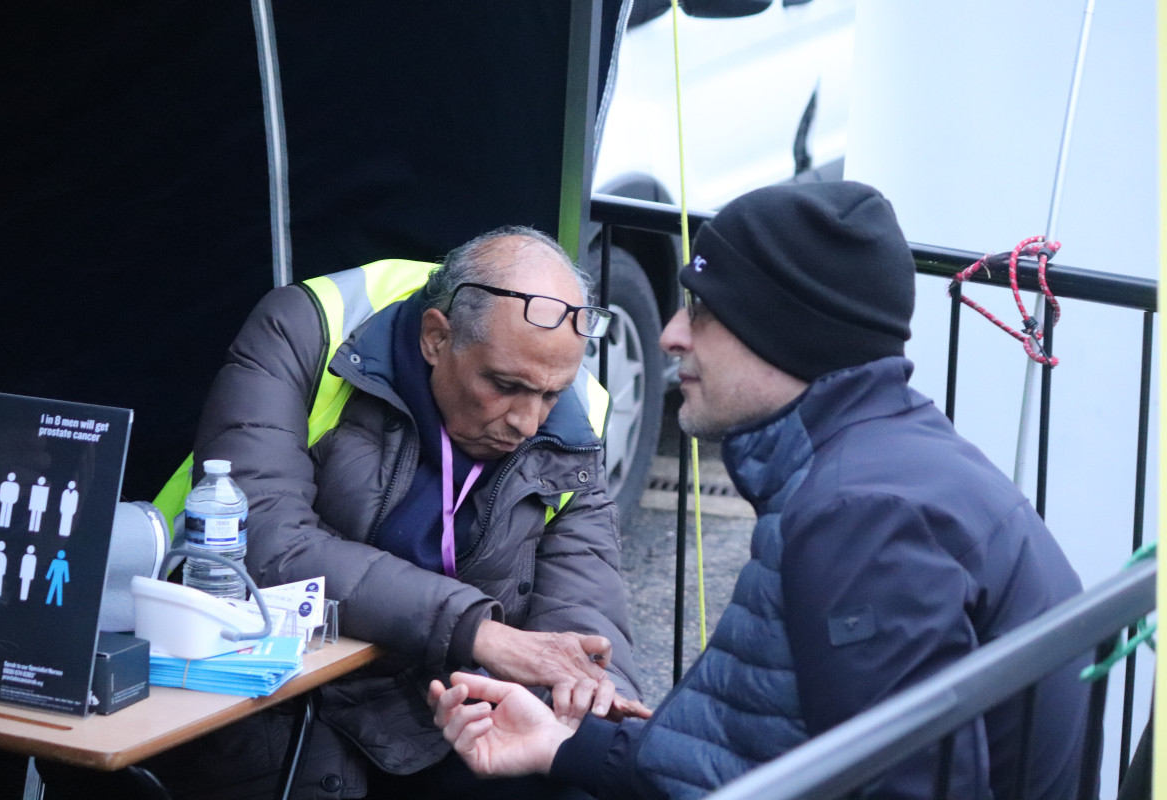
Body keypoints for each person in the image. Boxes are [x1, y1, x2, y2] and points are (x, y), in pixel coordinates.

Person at [430, 182, 1092, 799]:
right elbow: (772, 748)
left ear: (786, 333)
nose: (671, 334)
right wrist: (567, 744)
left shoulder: (860, 516)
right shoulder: (879, 463)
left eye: (704, 310)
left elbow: (900, 784)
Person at [77, 226, 644, 800]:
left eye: (550, 394)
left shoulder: (575, 410)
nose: (528, 421)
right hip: (256, 685)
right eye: (503, 386)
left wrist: (595, 698)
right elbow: (267, 540)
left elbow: (583, 594)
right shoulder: (307, 327)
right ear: (434, 338)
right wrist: (481, 633)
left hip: (436, 702)